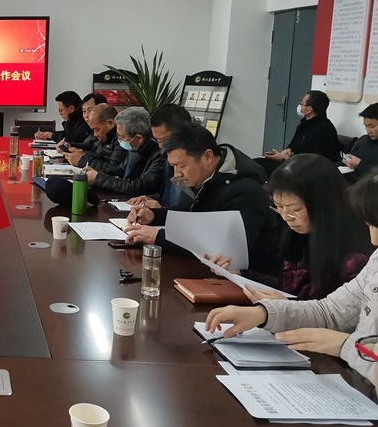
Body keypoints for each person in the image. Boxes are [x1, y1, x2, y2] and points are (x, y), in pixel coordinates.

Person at [205, 173, 378, 390]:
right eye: (370, 225)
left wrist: (345, 346)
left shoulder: (355, 256)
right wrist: (264, 313)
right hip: (358, 385)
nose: (373, 239)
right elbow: (330, 312)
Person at [125, 122, 283, 276]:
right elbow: (187, 213)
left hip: (252, 279)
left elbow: (224, 248)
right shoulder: (203, 177)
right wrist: (154, 215)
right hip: (208, 272)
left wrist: (159, 238)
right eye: (173, 166)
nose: (177, 174)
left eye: (181, 166)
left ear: (207, 156)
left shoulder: (245, 190)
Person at [233, 155, 371, 301]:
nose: (286, 217)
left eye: (295, 210)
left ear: (323, 205)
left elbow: (339, 310)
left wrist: (288, 307)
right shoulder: (300, 234)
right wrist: (242, 275)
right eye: (279, 207)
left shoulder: (355, 259)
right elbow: (292, 285)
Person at [126, 103, 194, 210]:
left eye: (163, 140)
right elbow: (168, 197)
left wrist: (162, 210)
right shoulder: (168, 160)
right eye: (157, 140)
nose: (160, 146)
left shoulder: (196, 165)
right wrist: (149, 198)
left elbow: (190, 211)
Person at [85, 107, 165, 197]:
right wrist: (97, 173)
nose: (119, 140)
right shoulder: (135, 146)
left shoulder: (160, 153)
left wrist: (99, 179)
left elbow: (141, 186)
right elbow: (121, 170)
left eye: (122, 137)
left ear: (139, 138)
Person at [259, 90, 341, 176]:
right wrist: (287, 151)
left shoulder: (325, 129)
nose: (299, 105)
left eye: (301, 103)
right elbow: (293, 146)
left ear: (309, 109)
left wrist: (285, 158)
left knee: (259, 167)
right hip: (292, 162)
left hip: (303, 169)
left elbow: (313, 159)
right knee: (257, 163)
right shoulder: (304, 124)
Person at [62, 103, 128, 174]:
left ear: (110, 123)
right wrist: (80, 153)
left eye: (97, 130)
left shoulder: (122, 140)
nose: (95, 134)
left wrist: (82, 160)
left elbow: (114, 169)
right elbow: (99, 156)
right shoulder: (106, 136)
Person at [344, 104, 378, 181]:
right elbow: (351, 158)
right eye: (365, 126)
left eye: (372, 126)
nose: (368, 131)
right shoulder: (363, 140)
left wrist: (359, 165)